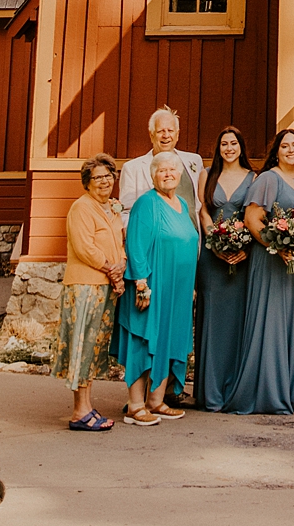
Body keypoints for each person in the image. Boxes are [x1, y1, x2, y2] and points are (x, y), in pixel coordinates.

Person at [225, 128, 294, 415]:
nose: (291, 150)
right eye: (285, 146)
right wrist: (277, 245)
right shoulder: (268, 178)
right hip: (273, 261)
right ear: (276, 151)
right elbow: (253, 219)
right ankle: (268, 391)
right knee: (274, 322)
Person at [115, 151, 200, 425]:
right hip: (152, 284)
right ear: (153, 176)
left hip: (178, 288)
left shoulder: (182, 203)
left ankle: (156, 401)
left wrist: (192, 286)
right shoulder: (146, 203)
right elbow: (136, 245)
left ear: (180, 174)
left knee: (169, 338)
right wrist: (141, 283)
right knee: (144, 340)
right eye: (162, 170)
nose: (168, 174)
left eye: (172, 170)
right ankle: (135, 406)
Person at [52, 153, 125, 430]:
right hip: (85, 286)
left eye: (108, 176)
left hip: (105, 286)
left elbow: (119, 243)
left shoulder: (112, 209)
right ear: (87, 182)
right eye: (98, 177)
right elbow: (85, 248)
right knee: (83, 345)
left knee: (94, 347)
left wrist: (121, 266)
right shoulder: (81, 208)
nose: (104, 181)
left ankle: (86, 407)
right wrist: (111, 269)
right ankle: (79, 412)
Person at [194, 124, 254, 411]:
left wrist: (244, 248)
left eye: (233, 143)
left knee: (237, 322)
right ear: (218, 149)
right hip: (212, 258)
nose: (229, 148)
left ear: (241, 147)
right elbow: (204, 211)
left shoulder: (253, 177)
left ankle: (234, 390)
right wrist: (214, 242)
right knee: (212, 320)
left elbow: (254, 216)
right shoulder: (207, 174)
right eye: (224, 144)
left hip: (242, 257)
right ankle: (210, 392)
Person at [119, 107, 205, 227]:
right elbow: (125, 213)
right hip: (155, 237)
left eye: (170, 130)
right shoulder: (132, 169)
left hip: (192, 235)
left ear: (177, 134)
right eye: (160, 131)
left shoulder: (194, 161)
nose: (166, 135)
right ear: (151, 135)